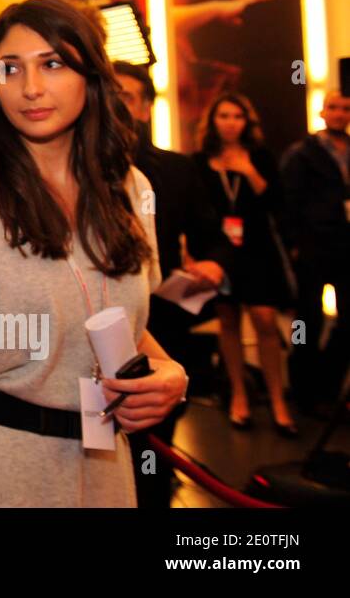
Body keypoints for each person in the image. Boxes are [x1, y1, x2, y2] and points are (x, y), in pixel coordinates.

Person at [0, 0, 187, 507]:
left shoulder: (130, 188)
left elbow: (115, 320)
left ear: (91, 75)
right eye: (9, 69)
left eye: (52, 64)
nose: (30, 88)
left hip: (105, 464)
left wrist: (171, 374)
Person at [111, 61, 233, 507]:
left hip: (161, 319)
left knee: (156, 441)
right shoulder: (77, 167)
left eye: (125, 97)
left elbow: (210, 235)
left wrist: (214, 265)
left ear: (145, 107)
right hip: (99, 325)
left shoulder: (176, 170)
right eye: (107, 94)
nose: (114, 105)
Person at [192, 93, 297, 436]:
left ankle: (278, 400)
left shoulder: (261, 156)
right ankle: (239, 394)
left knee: (266, 322)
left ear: (246, 122)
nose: (230, 122)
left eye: (237, 116)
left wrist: (249, 171)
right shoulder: (199, 160)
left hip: (258, 250)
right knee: (228, 321)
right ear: (213, 120)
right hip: (220, 253)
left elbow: (276, 203)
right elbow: (195, 212)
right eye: (223, 115)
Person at [280, 90, 350, 415]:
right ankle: (303, 389)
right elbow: (288, 201)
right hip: (313, 246)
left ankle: (328, 386)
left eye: (345, 109)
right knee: (308, 320)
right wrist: (294, 243)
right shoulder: (302, 154)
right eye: (333, 108)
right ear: (322, 113)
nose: (339, 114)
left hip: (345, 245)